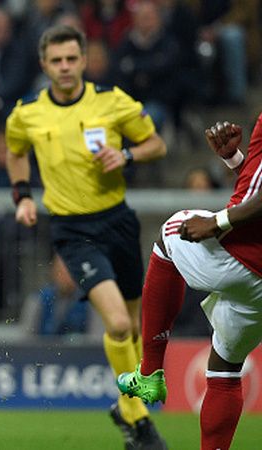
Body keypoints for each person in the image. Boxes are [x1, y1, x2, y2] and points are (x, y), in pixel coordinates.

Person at [5, 25, 168, 449]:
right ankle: (136, 411)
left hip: (118, 221)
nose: (64, 67)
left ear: (83, 60)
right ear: (44, 65)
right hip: (73, 229)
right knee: (115, 322)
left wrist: (128, 153)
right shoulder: (27, 113)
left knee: (132, 326)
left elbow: (156, 144)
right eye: (56, 61)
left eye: (71, 59)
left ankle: (125, 408)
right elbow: (15, 150)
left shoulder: (112, 101)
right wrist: (22, 196)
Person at [118, 119, 262, 450]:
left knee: (169, 235)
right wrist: (235, 160)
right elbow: (256, 184)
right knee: (225, 367)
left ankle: (150, 370)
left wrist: (218, 221)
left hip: (243, 257)